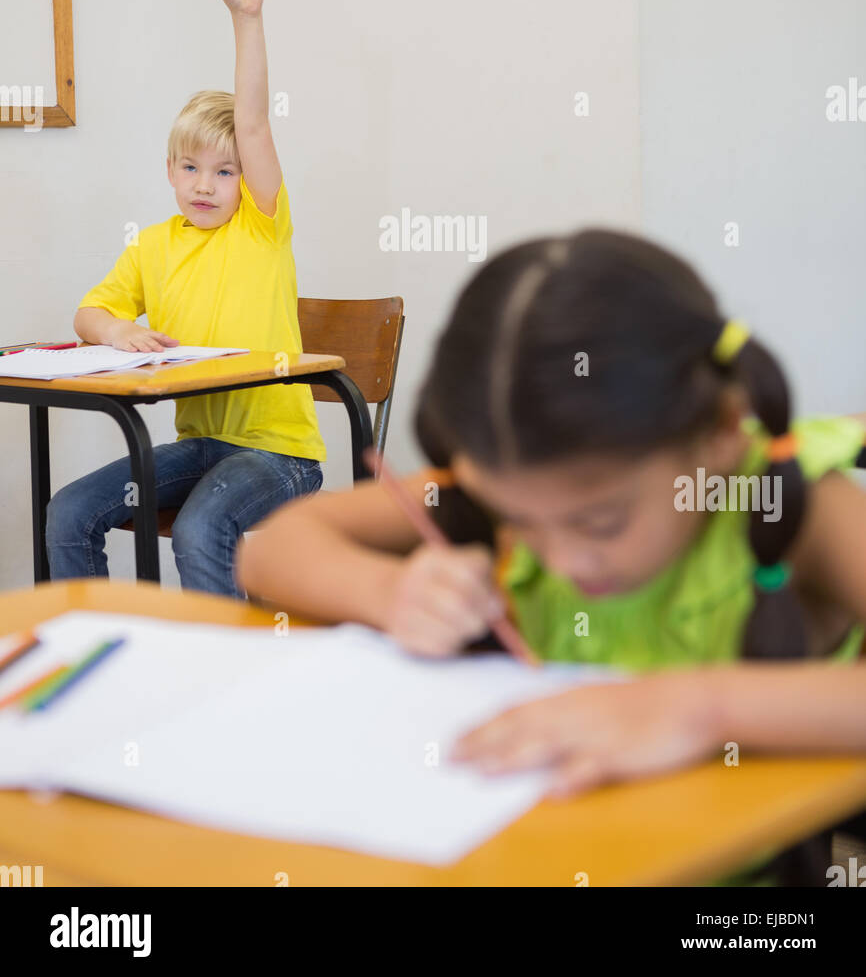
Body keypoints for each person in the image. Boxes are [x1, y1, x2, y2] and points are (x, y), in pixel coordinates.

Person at [236, 229, 866, 883]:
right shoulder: (516, 483)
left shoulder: (787, 500)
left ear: (722, 432)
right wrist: (391, 593)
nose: (563, 559)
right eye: (517, 520)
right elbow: (271, 548)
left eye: (600, 522)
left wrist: (700, 708)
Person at [47, 0, 324, 595]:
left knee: (202, 530)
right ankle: (107, 659)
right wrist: (117, 333)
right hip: (200, 446)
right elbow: (89, 314)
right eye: (192, 168)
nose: (206, 185)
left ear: (245, 179)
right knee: (68, 513)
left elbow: (252, 124)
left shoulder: (260, 225)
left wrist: (246, 18)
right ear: (170, 170)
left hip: (278, 452)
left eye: (225, 172)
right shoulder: (152, 244)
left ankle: (222, 679)